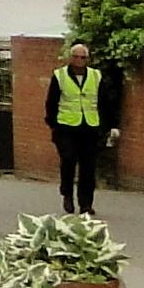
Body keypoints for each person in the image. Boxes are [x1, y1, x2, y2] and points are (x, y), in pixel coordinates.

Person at [42, 41, 120, 215]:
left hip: (90, 127)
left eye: (83, 58)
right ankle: (67, 194)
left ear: (87, 59)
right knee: (68, 159)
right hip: (66, 127)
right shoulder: (60, 76)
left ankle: (86, 204)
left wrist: (112, 125)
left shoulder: (96, 76)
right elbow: (51, 102)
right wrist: (53, 124)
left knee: (88, 166)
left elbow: (105, 102)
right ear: (70, 58)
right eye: (76, 57)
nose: (79, 61)